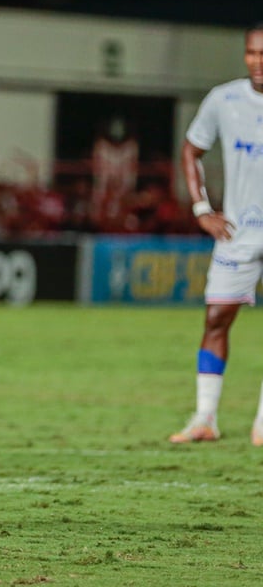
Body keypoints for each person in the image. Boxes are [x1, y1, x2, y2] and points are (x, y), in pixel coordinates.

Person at [169, 23, 263, 444]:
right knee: (215, 318)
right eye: (252, 53)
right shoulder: (224, 100)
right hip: (237, 234)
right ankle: (205, 418)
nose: (258, 62)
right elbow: (191, 151)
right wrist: (202, 209)